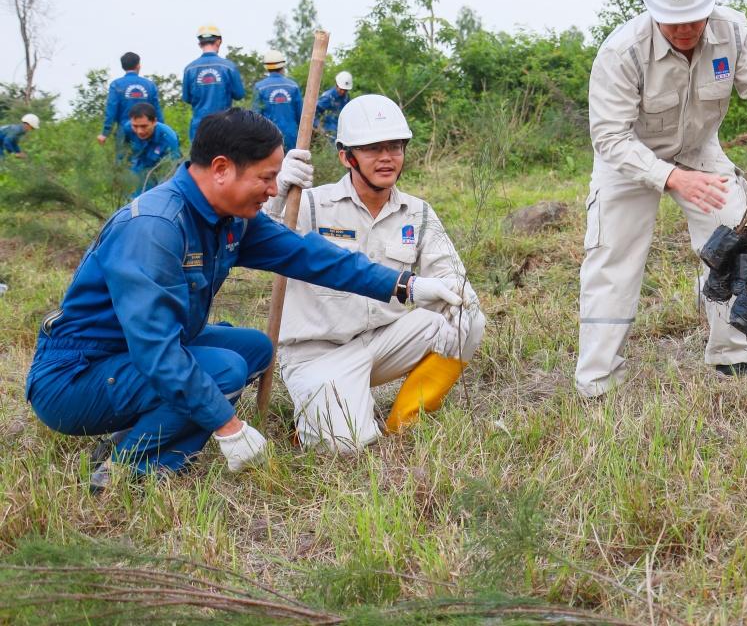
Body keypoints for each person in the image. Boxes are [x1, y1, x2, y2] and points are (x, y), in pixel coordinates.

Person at [23, 108, 462, 489]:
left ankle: (136, 438)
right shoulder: (155, 228)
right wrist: (229, 428)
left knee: (254, 349)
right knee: (223, 371)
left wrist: (406, 285)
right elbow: (157, 353)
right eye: (266, 178)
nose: (274, 191)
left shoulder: (228, 217)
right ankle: (127, 469)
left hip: (131, 357)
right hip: (77, 376)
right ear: (220, 168)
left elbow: (312, 256)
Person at [576, 0, 747, 398]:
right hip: (630, 158)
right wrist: (670, 178)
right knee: (612, 260)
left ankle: (733, 355)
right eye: (673, 22)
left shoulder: (733, 31)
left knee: (735, 238)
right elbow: (609, 137)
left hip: (699, 151)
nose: (685, 31)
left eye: (694, 20)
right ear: (651, 9)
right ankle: (597, 381)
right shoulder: (621, 52)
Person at [268, 95, 485, 452]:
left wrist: (458, 297)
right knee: (346, 445)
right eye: (372, 148)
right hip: (318, 353)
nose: (386, 157)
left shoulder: (418, 212)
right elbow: (257, 234)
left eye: (395, 146)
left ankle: (404, 421)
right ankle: (318, 412)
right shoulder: (309, 205)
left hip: (385, 341)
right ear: (346, 156)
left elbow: (452, 278)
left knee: (467, 315)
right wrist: (276, 193)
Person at [182, 25, 246, 142]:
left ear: (200, 44)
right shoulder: (228, 67)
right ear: (219, 41)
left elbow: (187, 98)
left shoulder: (189, 69)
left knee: (200, 159)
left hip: (199, 127)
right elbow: (239, 94)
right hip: (224, 125)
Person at [97, 52, 162, 147]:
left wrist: (105, 133)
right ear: (138, 65)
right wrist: (162, 130)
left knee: (123, 160)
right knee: (148, 159)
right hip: (147, 131)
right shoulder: (150, 85)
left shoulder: (116, 85)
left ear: (123, 66)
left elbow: (111, 110)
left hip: (124, 132)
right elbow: (157, 110)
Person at [125, 102, 181, 195]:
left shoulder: (169, 138)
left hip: (160, 169)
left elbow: (172, 168)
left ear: (154, 122)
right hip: (139, 166)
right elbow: (123, 151)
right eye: (135, 126)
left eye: (144, 126)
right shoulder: (127, 128)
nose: (139, 131)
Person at [253, 50, 303, 151]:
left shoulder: (259, 87)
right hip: (291, 136)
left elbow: (256, 116)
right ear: (283, 66)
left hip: (269, 136)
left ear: (266, 67)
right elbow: (301, 116)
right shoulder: (293, 86)